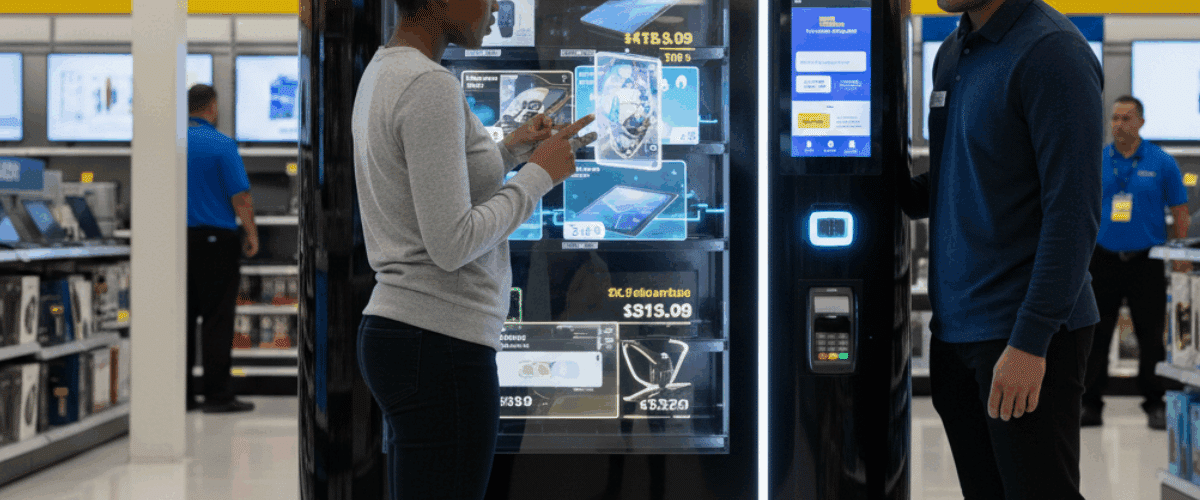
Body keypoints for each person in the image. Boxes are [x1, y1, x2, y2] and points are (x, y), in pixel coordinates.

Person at [350, 1, 596, 498]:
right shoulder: (429, 85)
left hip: (408, 335)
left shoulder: (385, 69)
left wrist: (508, 152)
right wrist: (538, 175)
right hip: (440, 343)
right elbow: (452, 242)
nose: (495, 10)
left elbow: (428, 188)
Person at [897, 0, 1102, 498]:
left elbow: (1073, 213)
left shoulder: (1052, 53)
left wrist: (1030, 342)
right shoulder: (953, 51)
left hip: (1024, 335)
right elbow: (951, 178)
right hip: (956, 334)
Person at [1082, 95, 1190, 430]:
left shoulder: (1162, 162)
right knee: (1096, 336)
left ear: (1141, 122)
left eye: (1126, 119)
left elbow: (1180, 211)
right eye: (1114, 118)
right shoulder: (1097, 161)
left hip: (1147, 261)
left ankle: (1155, 402)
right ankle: (1091, 404)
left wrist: (1181, 257)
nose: (1118, 125)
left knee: (1150, 335)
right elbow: (1080, 207)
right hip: (1103, 260)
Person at [186, 84, 259, 414]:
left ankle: (182, 394)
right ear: (212, 108)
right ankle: (217, 395)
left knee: (182, 319)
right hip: (217, 243)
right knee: (217, 319)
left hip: (180, 243)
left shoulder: (173, 143)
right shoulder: (222, 144)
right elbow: (240, 197)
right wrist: (252, 234)